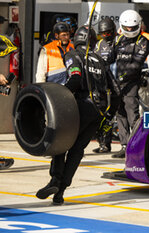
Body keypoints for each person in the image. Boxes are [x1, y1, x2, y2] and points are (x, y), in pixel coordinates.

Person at [35, 25, 119, 205]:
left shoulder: (73, 55)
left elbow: (75, 79)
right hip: (98, 112)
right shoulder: (101, 61)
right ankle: (60, 192)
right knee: (77, 150)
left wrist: (58, 98)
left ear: (77, 40)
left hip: (80, 107)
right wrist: (108, 118)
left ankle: (55, 180)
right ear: (94, 42)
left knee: (60, 143)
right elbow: (117, 92)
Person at [111, 10, 149, 159]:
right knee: (119, 112)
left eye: (131, 28)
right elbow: (110, 57)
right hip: (117, 82)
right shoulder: (118, 40)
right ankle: (124, 144)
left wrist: (122, 77)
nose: (129, 30)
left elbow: (136, 64)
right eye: (126, 28)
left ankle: (136, 145)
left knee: (132, 112)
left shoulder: (143, 42)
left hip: (131, 82)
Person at [93, 17, 117, 153]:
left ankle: (121, 144)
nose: (105, 36)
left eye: (108, 33)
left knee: (114, 115)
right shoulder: (99, 44)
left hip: (117, 84)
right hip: (103, 83)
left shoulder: (118, 42)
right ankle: (104, 143)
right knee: (102, 113)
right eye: (103, 34)